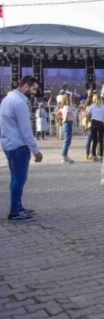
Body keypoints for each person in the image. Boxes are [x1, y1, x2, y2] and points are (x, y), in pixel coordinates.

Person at [0, 76, 43, 221]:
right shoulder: (19, 103)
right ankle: (15, 212)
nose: (35, 92)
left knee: (15, 179)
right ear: (25, 86)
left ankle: (18, 207)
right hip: (19, 146)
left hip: (8, 144)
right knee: (19, 179)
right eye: (33, 89)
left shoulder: (7, 99)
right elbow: (26, 130)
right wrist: (36, 151)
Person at [87, 95, 104, 162]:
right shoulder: (103, 107)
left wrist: (89, 121)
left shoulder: (92, 106)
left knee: (94, 140)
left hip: (94, 123)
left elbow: (88, 115)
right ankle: (101, 156)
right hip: (101, 123)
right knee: (101, 141)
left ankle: (94, 156)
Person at [57, 92, 76, 163]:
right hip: (68, 123)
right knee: (67, 141)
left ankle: (65, 155)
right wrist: (63, 119)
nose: (71, 98)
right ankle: (64, 156)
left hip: (67, 124)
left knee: (68, 141)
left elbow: (56, 113)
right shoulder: (67, 107)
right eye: (70, 97)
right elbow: (65, 117)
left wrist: (61, 118)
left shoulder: (63, 107)